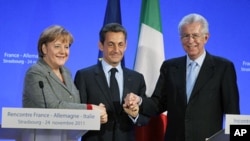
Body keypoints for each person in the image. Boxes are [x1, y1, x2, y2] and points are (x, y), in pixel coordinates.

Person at [124, 13, 240, 141]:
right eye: (186, 36)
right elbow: (158, 104)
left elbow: (232, 112)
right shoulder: (170, 67)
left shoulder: (223, 68)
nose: (190, 41)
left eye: (195, 35)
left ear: (206, 38)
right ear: (180, 39)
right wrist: (139, 100)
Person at [74, 23, 148, 141]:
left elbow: (145, 118)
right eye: (110, 44)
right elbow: (76, 114)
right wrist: (92, 116)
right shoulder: (84, 76)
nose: (116, 50)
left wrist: (135, 114)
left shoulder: (136, 78)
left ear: (126, 46)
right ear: (101, 45)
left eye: (120, 44)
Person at [22, 25, 107, 124]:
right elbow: (52, 107)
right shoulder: (35, 72)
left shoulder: (66, 72)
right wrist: (90, 109)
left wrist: (95, 115)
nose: (63, 51)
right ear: (44, 49)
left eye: (66, 47)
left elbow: (74, 105)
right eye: (57, 46)